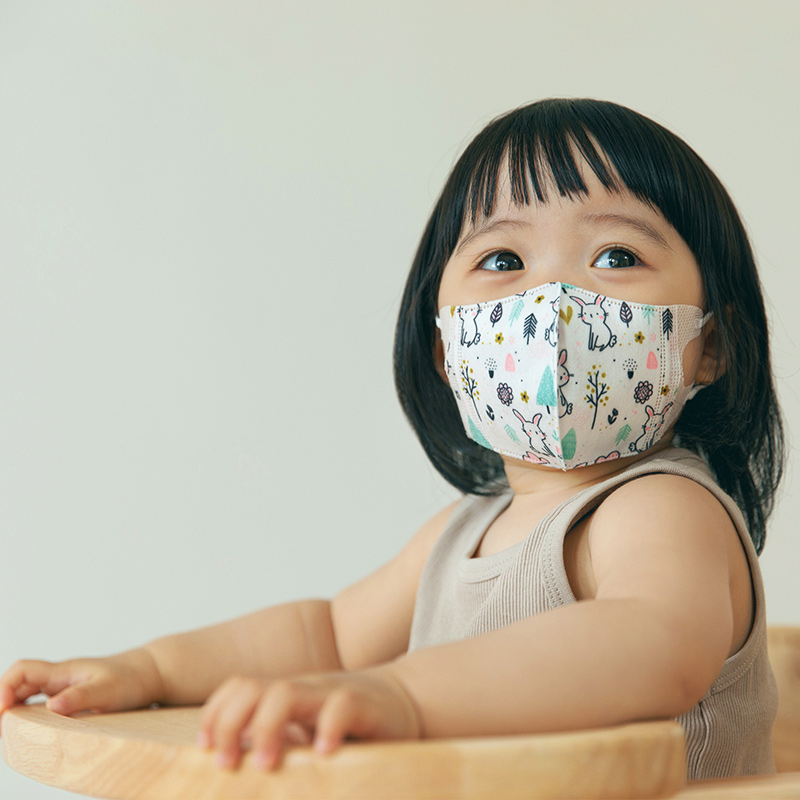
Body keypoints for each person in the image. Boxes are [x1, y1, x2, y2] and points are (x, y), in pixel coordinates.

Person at [0, 99, 785, 781]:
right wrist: (152, 669)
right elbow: (325, 637)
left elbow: (651, 644)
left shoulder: (662, 508)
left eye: (616, 256)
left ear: (710, 345)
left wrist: (403, 693)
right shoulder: (458, 534)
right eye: (503, 259)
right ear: (447, 349)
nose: (552, 301)